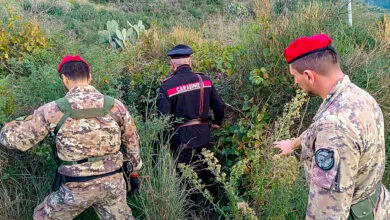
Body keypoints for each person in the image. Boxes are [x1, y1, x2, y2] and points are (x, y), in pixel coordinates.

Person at [0, 55, 142, 219]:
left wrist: (7, 128)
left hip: (76, 188)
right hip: (114, 184)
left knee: (42, 216)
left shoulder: (54, 109)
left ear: (64, 79)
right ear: (90, 77)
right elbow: (132, 141)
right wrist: (134, 173)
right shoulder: (115, 105)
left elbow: (13, 139)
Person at [273, 34, 390, 219]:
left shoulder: (333, 128)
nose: (295, 82)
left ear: (309, 76)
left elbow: (328, 212)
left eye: (294, 76)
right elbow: (319, 128)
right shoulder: (358, 97)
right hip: (377, 204)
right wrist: (293, 144)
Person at [157, 44, 225, 165]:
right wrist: (217, 122)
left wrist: (164, 141)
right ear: (189, 61)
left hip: (180, 139)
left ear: (172, 64)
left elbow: (163, 118)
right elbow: (219, 104)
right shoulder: (204, 80)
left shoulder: (167, 86)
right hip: (203, 134)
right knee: (205, 172)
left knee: (185, 178)